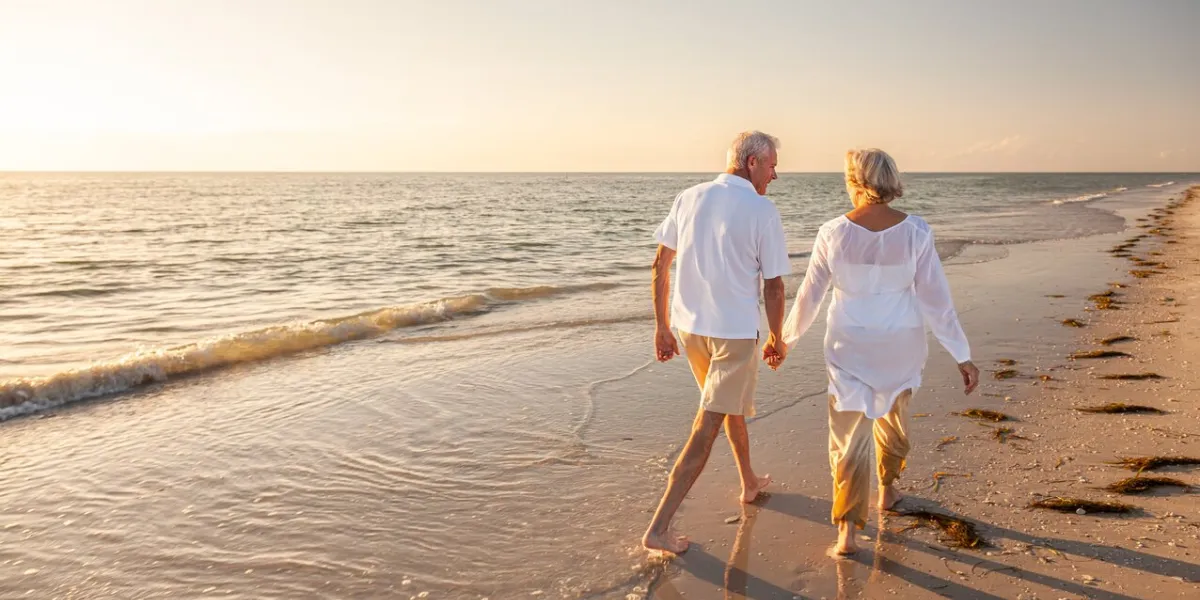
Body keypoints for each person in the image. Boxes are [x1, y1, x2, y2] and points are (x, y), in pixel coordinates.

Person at [778, 148, 980, 555]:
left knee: (848, 438)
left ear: (855, 181)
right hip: (900, 346)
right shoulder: (917, 231)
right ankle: (887, 491)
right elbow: (936, 301)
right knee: (894, 423)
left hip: (848, 345)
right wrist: (962, 353)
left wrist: (784, 340)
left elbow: (809, 299)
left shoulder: (833, 232)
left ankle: (848, 532)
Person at [641, 131, 791, 554]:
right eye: (772, 165)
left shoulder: (689, 197)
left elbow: (659, 265)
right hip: (734, 336)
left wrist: (662, 327)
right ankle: (659, 527)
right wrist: (778, 337)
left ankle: (747, 481)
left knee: (728, 407)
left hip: (690, 330)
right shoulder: (762, 210)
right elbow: (775, 286)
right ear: (751, 163)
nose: (776, 174)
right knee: (708, 422)